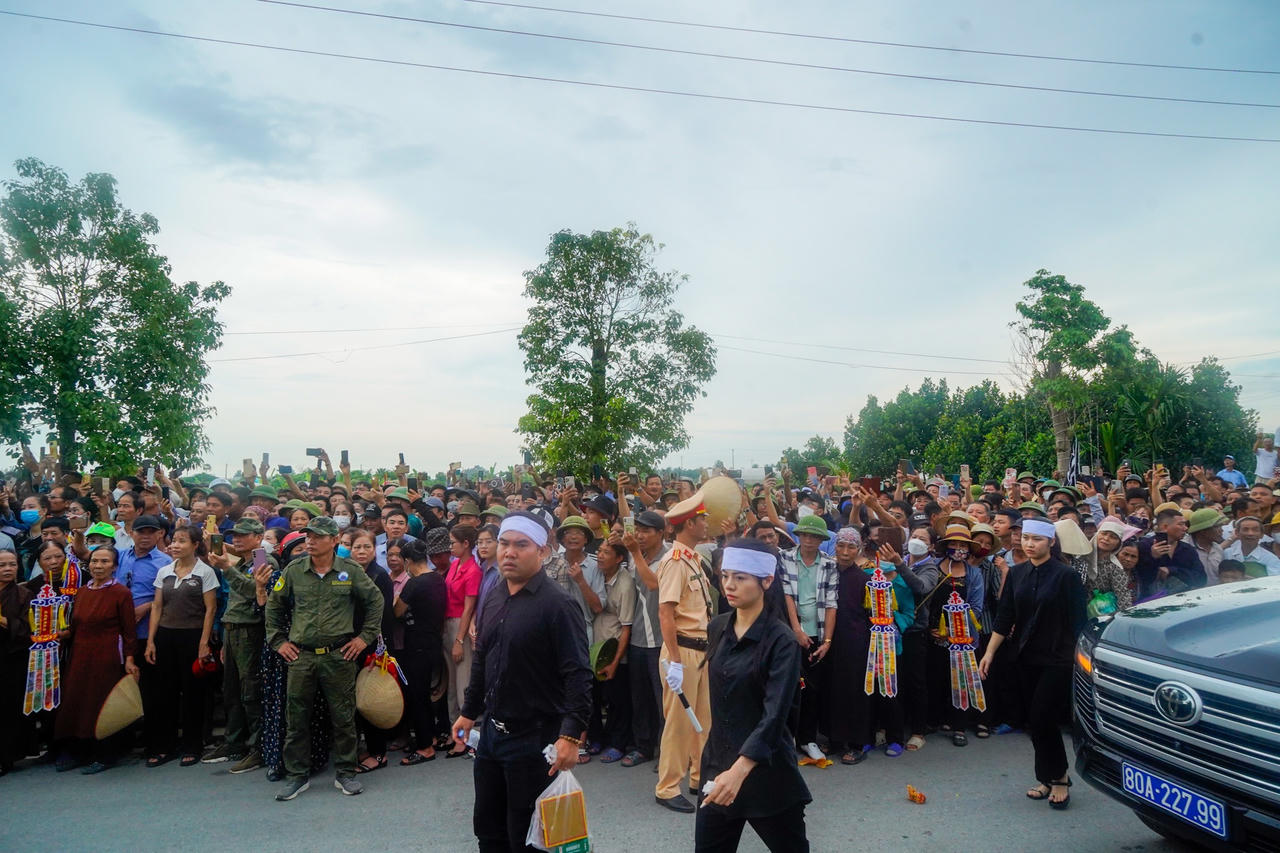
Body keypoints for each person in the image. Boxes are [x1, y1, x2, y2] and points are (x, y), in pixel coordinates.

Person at [453, 511, 592, 853]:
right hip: (490, 737)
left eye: (521, 545)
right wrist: (469, 711)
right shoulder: (495, 595)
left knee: (529, 837)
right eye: (503, 543)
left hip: (535, 741)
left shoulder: (559, 605)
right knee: (489, 829)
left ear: (543, 551)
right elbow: (483, 658)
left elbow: (578, 673)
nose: (509, 552)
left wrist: (570, 735)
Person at [696, 538, 810, 853]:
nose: (729, 585)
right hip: (719, 767)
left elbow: (775, 716)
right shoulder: (717, 627)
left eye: (740, 578)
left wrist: (741, 769)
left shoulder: (782, 641)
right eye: (725, 576)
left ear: (767, 580)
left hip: (766, 772)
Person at [266, 516, 383, 801]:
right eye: (308, 536)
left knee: (343, 717)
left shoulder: (349, 570)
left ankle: (346, 772)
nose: (310, 541)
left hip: (339, 656)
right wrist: (278, 641)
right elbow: (273, 606)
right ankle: (297, 775)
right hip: (301, 657)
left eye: (317, 536)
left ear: (333, 540)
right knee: (297, 719)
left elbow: (375, 600)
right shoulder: (293, 570)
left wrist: (363, 638)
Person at [979, 519, 1086, 810]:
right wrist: (989, 653)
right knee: (1032, 721)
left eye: (1037, 539)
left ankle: (1061, 777)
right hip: (1024, 658)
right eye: (1025, 538)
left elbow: (1080, 624)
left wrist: (1083, 664)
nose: (1029, 543)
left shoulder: (1067, 577)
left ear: (1051, 542)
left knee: (1042, 717)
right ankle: (1046, 777)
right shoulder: (1016, 574)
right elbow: (1005, 617)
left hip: (1059, 659)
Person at [52, 546, 139, 774]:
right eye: (94, 561)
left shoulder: (121, 593)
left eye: (104, 562)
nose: (98, 566)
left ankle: (106, 754)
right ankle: (80, 752)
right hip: (81, 654)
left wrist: (130, 659)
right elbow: (76, 626)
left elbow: (129, 630)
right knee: (78, 701)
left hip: (107, 655)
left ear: (114, 566)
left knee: (101, 704)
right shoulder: (82, 592)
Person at [655, 495, 714, 813]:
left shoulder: (692, 557)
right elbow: (666, 612)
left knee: (702, 720)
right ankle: (666, 787)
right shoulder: (676, 560)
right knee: (679, 723)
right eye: (702, 518)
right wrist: (674, 661)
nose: (706, 523)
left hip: (700, 651)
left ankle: (698, 776)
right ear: (689, 523)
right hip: (683, 651)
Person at [204, 516, 275, 772]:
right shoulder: (244, 560)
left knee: (251, 690)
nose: (237, 538)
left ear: (258, 537)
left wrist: (226, 568)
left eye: (244, 535)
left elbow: (253, 590)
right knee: (231, 689)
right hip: (232, 630)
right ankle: (234, 742)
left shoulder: (260, 558)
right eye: (235, 534)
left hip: (251, 632)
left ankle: (258, 747)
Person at [144, 526, 219, 767]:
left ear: (195, 545)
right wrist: (151, 641)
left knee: (193, 693)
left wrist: (204, 643)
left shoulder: (205, 572)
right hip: (165, 636)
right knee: (163, 693)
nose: (175, 545)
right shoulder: (164, 571)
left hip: (193, 636)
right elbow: (157, 607)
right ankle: (164, 746)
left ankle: (192, 745)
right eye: (173, 540)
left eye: (182, 541)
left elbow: (210, 610)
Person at [779, 514, 838, 762]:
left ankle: (808, 739)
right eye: (805, 534)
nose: (809, 540)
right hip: (792, 632)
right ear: (798, 535)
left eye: (814, 536)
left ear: (821, 539)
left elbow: (832, 603)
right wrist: (796, 629)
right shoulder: (785, 558)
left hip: (818, 632)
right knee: (787, 688)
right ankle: (787, 738)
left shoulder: (829, 563)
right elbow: (787, 596)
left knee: (812, 690)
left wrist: (827, 641)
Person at [620, 509, 668, 768]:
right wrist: (620, 493)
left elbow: (653, 584)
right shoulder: (635, 552)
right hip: (638, 637)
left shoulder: (668, 556)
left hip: (661, 640)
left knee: (664, 701)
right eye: (637, 530)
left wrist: (635, 553)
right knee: (640, 699)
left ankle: (669, 752)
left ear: (661, 533)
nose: (639, 535)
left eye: (646, 531)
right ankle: (643, 747)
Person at [394, 538, 447, 766]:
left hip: (416, 645)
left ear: (407, 561)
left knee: (417, 697)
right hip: (434, 642)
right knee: (426, 695)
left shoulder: (414, 584)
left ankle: (425, 747)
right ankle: (432, 736)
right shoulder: (437, 578)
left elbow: (397, 612)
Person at [588, 539, 635, 763]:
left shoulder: (625, 585)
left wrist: (616, 661)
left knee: (617, 700)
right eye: (599, 550)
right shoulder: (596, 576)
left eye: (607, 552)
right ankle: (598, 738)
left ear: (619, 559)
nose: (600, 555)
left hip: (614, 651)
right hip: (594, 649)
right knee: (594, 697)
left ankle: (618, 743)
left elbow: (626, 627)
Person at [441, 525, 480, 751]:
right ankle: (454, 731)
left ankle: (467, 738)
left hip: (459, 625)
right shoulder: (456, 564)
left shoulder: (473, 570)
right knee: (451, 685)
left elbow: (468, 608)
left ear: (466, 544)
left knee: (463, 683)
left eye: (453, 542)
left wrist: (459, 640)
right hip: (448, 623)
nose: (450, 546)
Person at [0, 549, 34, 775]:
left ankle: (6, 757)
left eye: (12, 564)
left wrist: (3, 621)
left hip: (11, 658)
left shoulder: (23, 594)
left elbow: (27, 628)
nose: (8, 569)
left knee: (7, 708)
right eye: (2, 565)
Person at [1134, 507, 1206, 599]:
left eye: (1185, 524)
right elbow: (1139, 577)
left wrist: (1172, 570)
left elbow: (1201, 578)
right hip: (1151, 602)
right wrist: (1152, 558)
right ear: (1165, 527)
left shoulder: (1187, 550)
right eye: (1181, 524)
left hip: (1184, 600)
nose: (1185, 528)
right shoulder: (1144, 546)